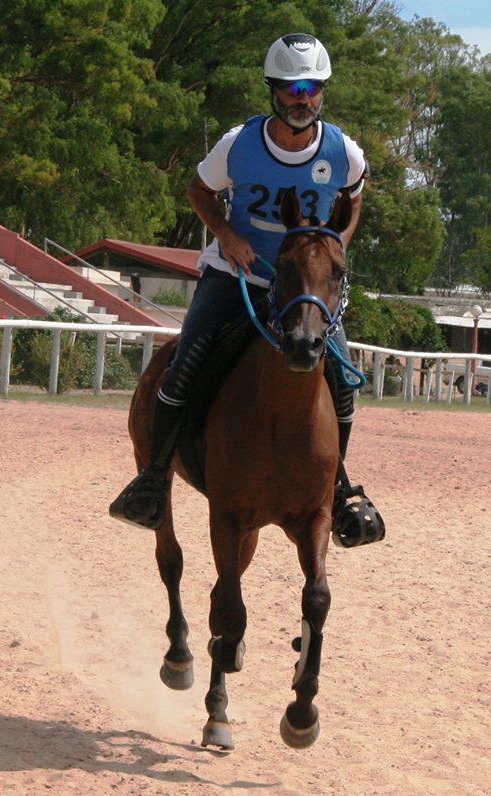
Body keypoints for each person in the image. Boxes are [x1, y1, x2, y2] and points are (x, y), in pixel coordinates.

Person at [110, 33, 381, 543]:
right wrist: (226, 235)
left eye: (312, 87)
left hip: (303, 288)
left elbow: (356, 198)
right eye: (292, 87)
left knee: (342, 381)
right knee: (186, 360)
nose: (302, 98)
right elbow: (198, 191)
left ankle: (337, 488)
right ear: (273, 91)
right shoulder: (238, 144)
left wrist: (334, 248)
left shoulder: (344, 152)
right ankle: (152, 479)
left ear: (323, 92)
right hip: (238, 273)